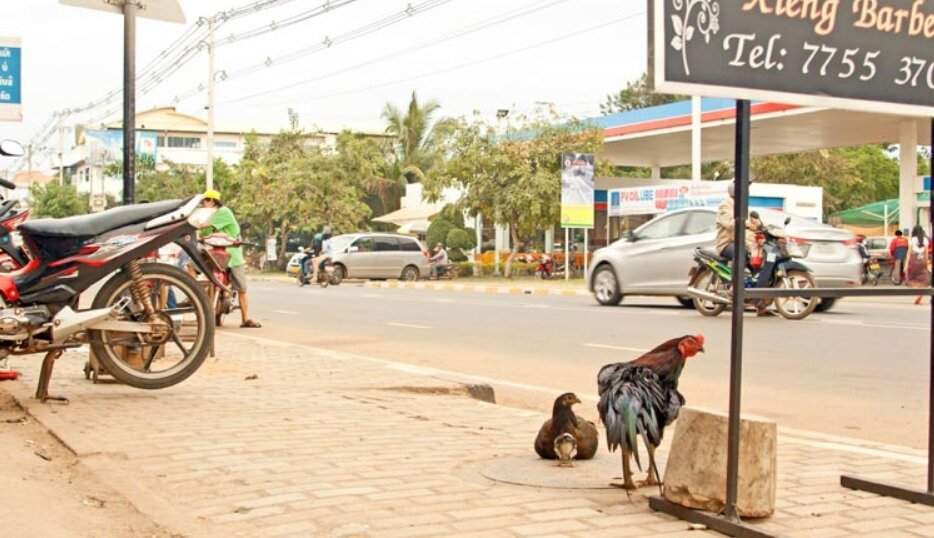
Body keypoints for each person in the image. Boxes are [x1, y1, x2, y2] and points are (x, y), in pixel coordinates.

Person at [201, 190, 262, 328]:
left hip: (232, 254)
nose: (202, 205)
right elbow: (203, 233)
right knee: (194, 268)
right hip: (215, 254)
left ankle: (245, 318)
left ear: (211, 201)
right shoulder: (209, 217)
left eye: (204, 202)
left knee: (241, 288)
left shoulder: (223, 212)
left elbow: (204, 227)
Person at [715, 183, 771, 316]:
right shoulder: (725, 205)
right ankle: (735, 287)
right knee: (740, 253)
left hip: (744, 243)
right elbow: (730, 223)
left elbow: (754, 221)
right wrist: (747, 224)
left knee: (759, 264)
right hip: (727, 243)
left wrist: (765, 226)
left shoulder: (743, 206)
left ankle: (760, 303)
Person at [906, 225, 931, 304]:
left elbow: (909, 253)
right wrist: (926, 263)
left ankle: (919, 292)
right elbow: (926, 254)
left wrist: (907, 264)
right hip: (923, 260)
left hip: (914, 260)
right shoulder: (925, 240)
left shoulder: (912, 240)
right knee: (924, 279)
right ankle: (920, 293)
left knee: (912, 278)